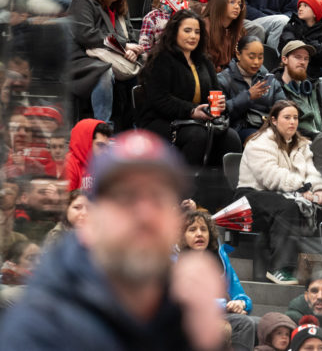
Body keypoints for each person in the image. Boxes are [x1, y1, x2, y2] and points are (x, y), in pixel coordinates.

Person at [4, 129, 229, 350]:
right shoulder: (42, 324)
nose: (145, 215)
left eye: (158, 197)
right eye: (125, 197)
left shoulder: (181, 310)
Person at [237, 100, 322, 284]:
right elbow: (270, 175)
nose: (292, 122)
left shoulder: (302, 145)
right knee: (288, 206)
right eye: (287, 117)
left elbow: (312, 172)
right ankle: (280, 269)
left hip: (286, 196)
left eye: (295, 118)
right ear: (274, 120)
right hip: (250, 197)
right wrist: (302, 189)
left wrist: (320, 190)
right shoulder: (259, 142)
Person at [136, 9, 243, 167]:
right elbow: (160, 99)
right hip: (161, 120)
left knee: (231, 137)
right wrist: (192, 111)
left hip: (195, 121)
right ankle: (186, 182)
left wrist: (220, 105)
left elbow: (216, 92)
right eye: (187, 31)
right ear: (174, 32)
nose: (193, 36)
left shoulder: (204, 61)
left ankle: (220, 183)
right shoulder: (161, 59)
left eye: (197, 32)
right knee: (197, 135)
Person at [68, 0, 140, 122]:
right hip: (83, 57)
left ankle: (136, 125)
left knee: (149, 68)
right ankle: (102, 126)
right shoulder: (84, 0)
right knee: (104, 72)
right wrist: (123, 46)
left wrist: (132, 52)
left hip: (114, 56)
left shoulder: (120, 7)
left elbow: (131, 39)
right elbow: (87, 35)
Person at [177, 209, 255, 351]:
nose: (199, 234)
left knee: (255, 323)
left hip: (218, 316)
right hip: (186, 320)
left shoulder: (220, 261)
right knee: (243, 324)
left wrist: (241, 303)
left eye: (203, 229)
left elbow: (239, 294)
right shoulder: (174, 262)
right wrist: (225, 305)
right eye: (192, 230)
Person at [219, 34, 286, 143]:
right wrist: (248, 96)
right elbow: (221, 112)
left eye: (260, 57)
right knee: (263, 141)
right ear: (238, 54)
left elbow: (282, 106)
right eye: (251, 57)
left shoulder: (268, 79)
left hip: (269, 126)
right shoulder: (223, 79)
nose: (256, 62)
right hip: (239, 129)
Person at [281, 0, 322, 83]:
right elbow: (286, 44)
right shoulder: (291, 26)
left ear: (315, 12)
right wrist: (309, 46)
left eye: (305, 6)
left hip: (316, 70)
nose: (300, 9)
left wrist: (308, 44)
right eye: (300, 6)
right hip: (293, 68)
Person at [275, 41, 322, 136]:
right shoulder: (275, 88)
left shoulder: (312, 86)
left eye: (306, 59)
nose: (303, 62)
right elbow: (286, 126)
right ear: (284, 59)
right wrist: (318, 137)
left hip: (321, 138)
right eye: (298, 57)